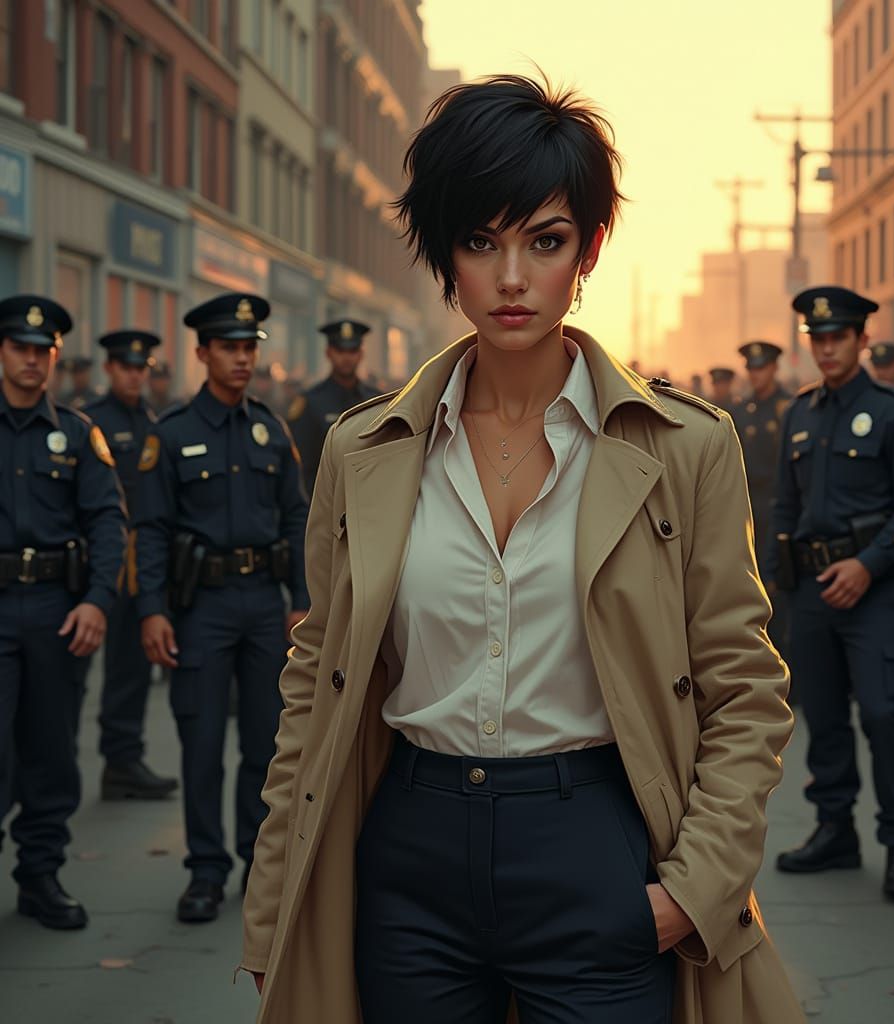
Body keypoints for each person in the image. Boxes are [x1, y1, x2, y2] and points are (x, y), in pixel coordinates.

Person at [240, 74, 802, 1024]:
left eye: (544, 241)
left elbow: (744, 690)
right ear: (444, 258)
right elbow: (318, 676)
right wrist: (275, 904)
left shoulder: (685, 447)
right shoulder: (363, 449)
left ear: (586, 252)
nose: (510, 278)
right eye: (480, 240)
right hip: (408, 861)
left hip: (593, 845)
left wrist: (691, 891)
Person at [134, 292, 309, 924]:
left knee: (267, 745)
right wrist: (152, 610)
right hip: (201, 607)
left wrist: (301, 600)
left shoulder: (271, 428)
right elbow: (149, 530)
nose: (241, 360)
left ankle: (257, 867)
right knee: (202, 744)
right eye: (229, 349)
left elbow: (296, 517)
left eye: (248, 348)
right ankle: (205, 870)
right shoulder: (172, 435)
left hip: (264, 605)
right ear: (203, 352)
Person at [770, 285, 894, 902]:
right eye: (818, 338)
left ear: (862, 340)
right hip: (811, 592)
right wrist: (774, 584)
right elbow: (784, 507)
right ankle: (834, 829)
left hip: (873, 592)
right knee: (825, 719)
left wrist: (868, 566)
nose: (827, 348)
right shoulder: (800, 412)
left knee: (885, 714)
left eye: (838, 337)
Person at [0, 295, 126, 929]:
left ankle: (40, 876)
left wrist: (97, 600)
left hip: (56, 612)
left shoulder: (77, 434)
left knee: (50, 751)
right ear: (2, 352)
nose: (32, 360)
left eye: (42, 351)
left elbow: (108, 520)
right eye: (21, 348)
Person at [83, 331, 179, 798]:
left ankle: (122, 761)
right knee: (75, 672)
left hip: (142, 563)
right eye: (126, 367)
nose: (134, 375)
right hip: (100, 562)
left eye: (141, 368)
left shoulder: (151, 421)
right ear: (110, 369)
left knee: (132, 666)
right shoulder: (92, 421)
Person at [731, 341, 793, 670]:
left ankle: (785, 666)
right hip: (748, 510)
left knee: (779, 590)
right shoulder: (742, 411)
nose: (756, 375)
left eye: (762, 368)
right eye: (752, 369)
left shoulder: (789, 409)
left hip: (780, 508)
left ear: (774, 368)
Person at [287, 319, 381, 493]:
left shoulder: (376, 400)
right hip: (324, 500)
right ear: (329, 353)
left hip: (368, 498)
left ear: (361, 354)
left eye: (352, 351)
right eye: (340, 351)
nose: (346, 358)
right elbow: (301, 464)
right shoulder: (310, 402)